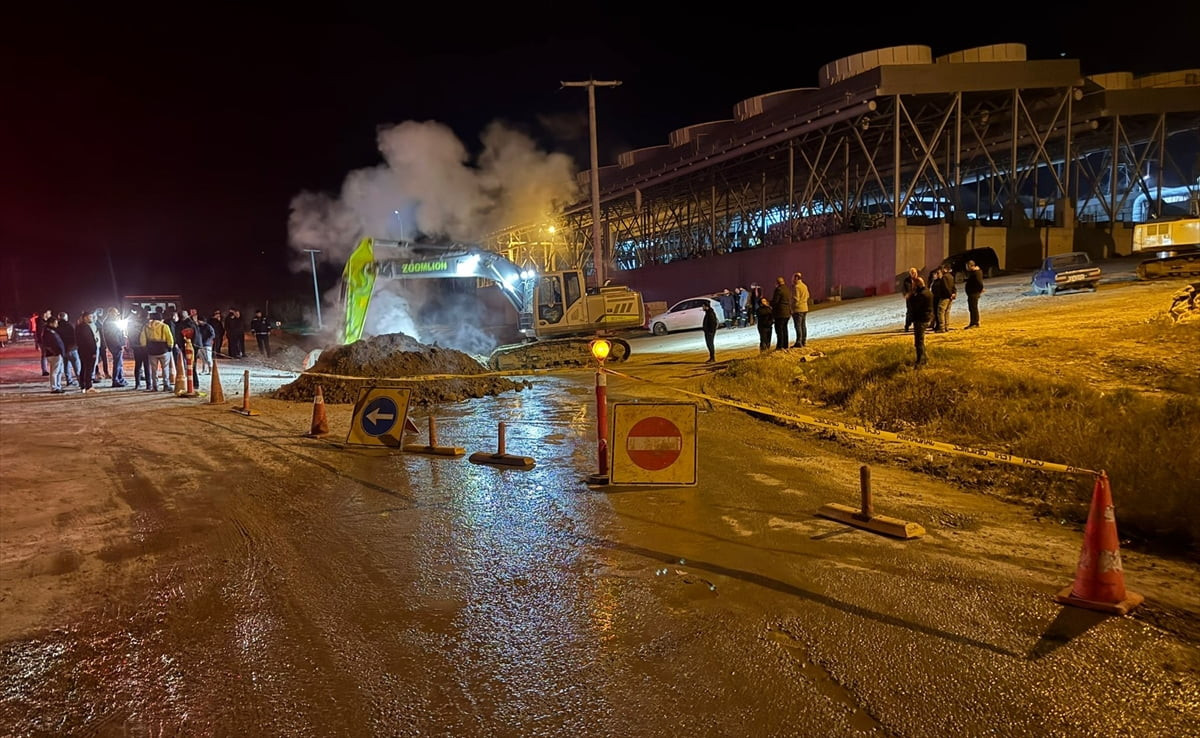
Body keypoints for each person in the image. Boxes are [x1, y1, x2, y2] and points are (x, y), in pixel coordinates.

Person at [140, 311, 175, 392]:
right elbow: (170, 338)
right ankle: (166, 385)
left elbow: (142, 338)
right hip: (163, 350)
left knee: (154, 369)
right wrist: (170, 346)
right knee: (165, 368)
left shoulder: (146, 327)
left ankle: (155, 386)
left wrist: (144, 347)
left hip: (152, 351)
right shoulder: (164, 326)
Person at [906, 276, 934, 366]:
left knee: (919, 342)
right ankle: (924, 358)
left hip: (921, 319)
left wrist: (910, 297)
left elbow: (914, 307)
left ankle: (920, 361)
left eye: (914, 285)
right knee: (920, 341)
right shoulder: (927, 292)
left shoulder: (921, 295)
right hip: (926, 317)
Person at [101, 308, 127, 387]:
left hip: (115, 344)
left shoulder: (110, 321)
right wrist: (119, 345)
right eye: (116, 312)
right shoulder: (109, 322)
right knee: (117, 363)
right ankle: (115, 380)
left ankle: (120, 378)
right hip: (115, 345)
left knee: (119, 363)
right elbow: (113, 336)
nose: (117, 314)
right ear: (111, 313)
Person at [76, 312, 100, 394]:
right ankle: (88, 386)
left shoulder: (79, 326)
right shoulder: (84, 327)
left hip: (82, 351)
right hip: (88, 351)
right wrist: (93, 351)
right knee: (89, 369)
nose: (92, 318)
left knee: (84, 368)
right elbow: (89, 341)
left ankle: (82, 384)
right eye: (90, 316)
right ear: (85, 317)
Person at [42, 316, 67, 393]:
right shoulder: (47, 332)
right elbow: (47, 344)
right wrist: (54, 352)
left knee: (59, 371)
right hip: (54, 355)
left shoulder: (51, 331)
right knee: (54, 372)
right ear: (51, 323)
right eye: (55, 323)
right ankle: (54, 387)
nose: (57, 325)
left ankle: (58, 386)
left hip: (57, 354)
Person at [57, 311, 81, 386]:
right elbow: (74, 336)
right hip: (71, 348)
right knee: (76, 366)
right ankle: (80, 381)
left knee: (66, 365)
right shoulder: (69, 325)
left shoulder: (57, 326)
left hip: (63, 349)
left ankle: (69, 380)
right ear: (65, 317)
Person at [770, 276, 792, 350]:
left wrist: (770, 303)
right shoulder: (787, 289)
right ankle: (785, 345)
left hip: (780, 313)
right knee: (785, 329)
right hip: (787, 312)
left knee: (779, 330)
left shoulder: (778, 290)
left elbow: (776, 301)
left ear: (777, 283)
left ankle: (780, 346)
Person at [791, 272, 810, 348]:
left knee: (798, 326)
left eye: (793, 278)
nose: (792, 280)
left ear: (796, 278)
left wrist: (791, 305)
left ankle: (799, 342)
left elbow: (796, 299)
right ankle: (804, 340)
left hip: (798, 309)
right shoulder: (804, 286)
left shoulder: (797, 287)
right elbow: (808, 295)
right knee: (803, 325)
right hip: (805, 308)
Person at [964, 260, 985, 329]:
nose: (966, 268)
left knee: (973, 308)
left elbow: (979, 282)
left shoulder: (976, 273)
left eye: (967, 266)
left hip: (974, 293)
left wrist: (980, 289)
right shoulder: (974, 272)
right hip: (972, 293)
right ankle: (973, 322)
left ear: (970, 266)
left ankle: (975, 322)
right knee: (972, 308)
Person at [901, 267, 919, 332]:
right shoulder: (906, 280)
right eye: (911, 273)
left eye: (914, 273)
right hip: (910, 299)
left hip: (917, 299)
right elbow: (904, 289)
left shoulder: (918, 280)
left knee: (917, 313)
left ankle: (916, 326)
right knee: (909, 313)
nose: (913, 274)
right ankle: (907, 326)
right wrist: (905, 294)